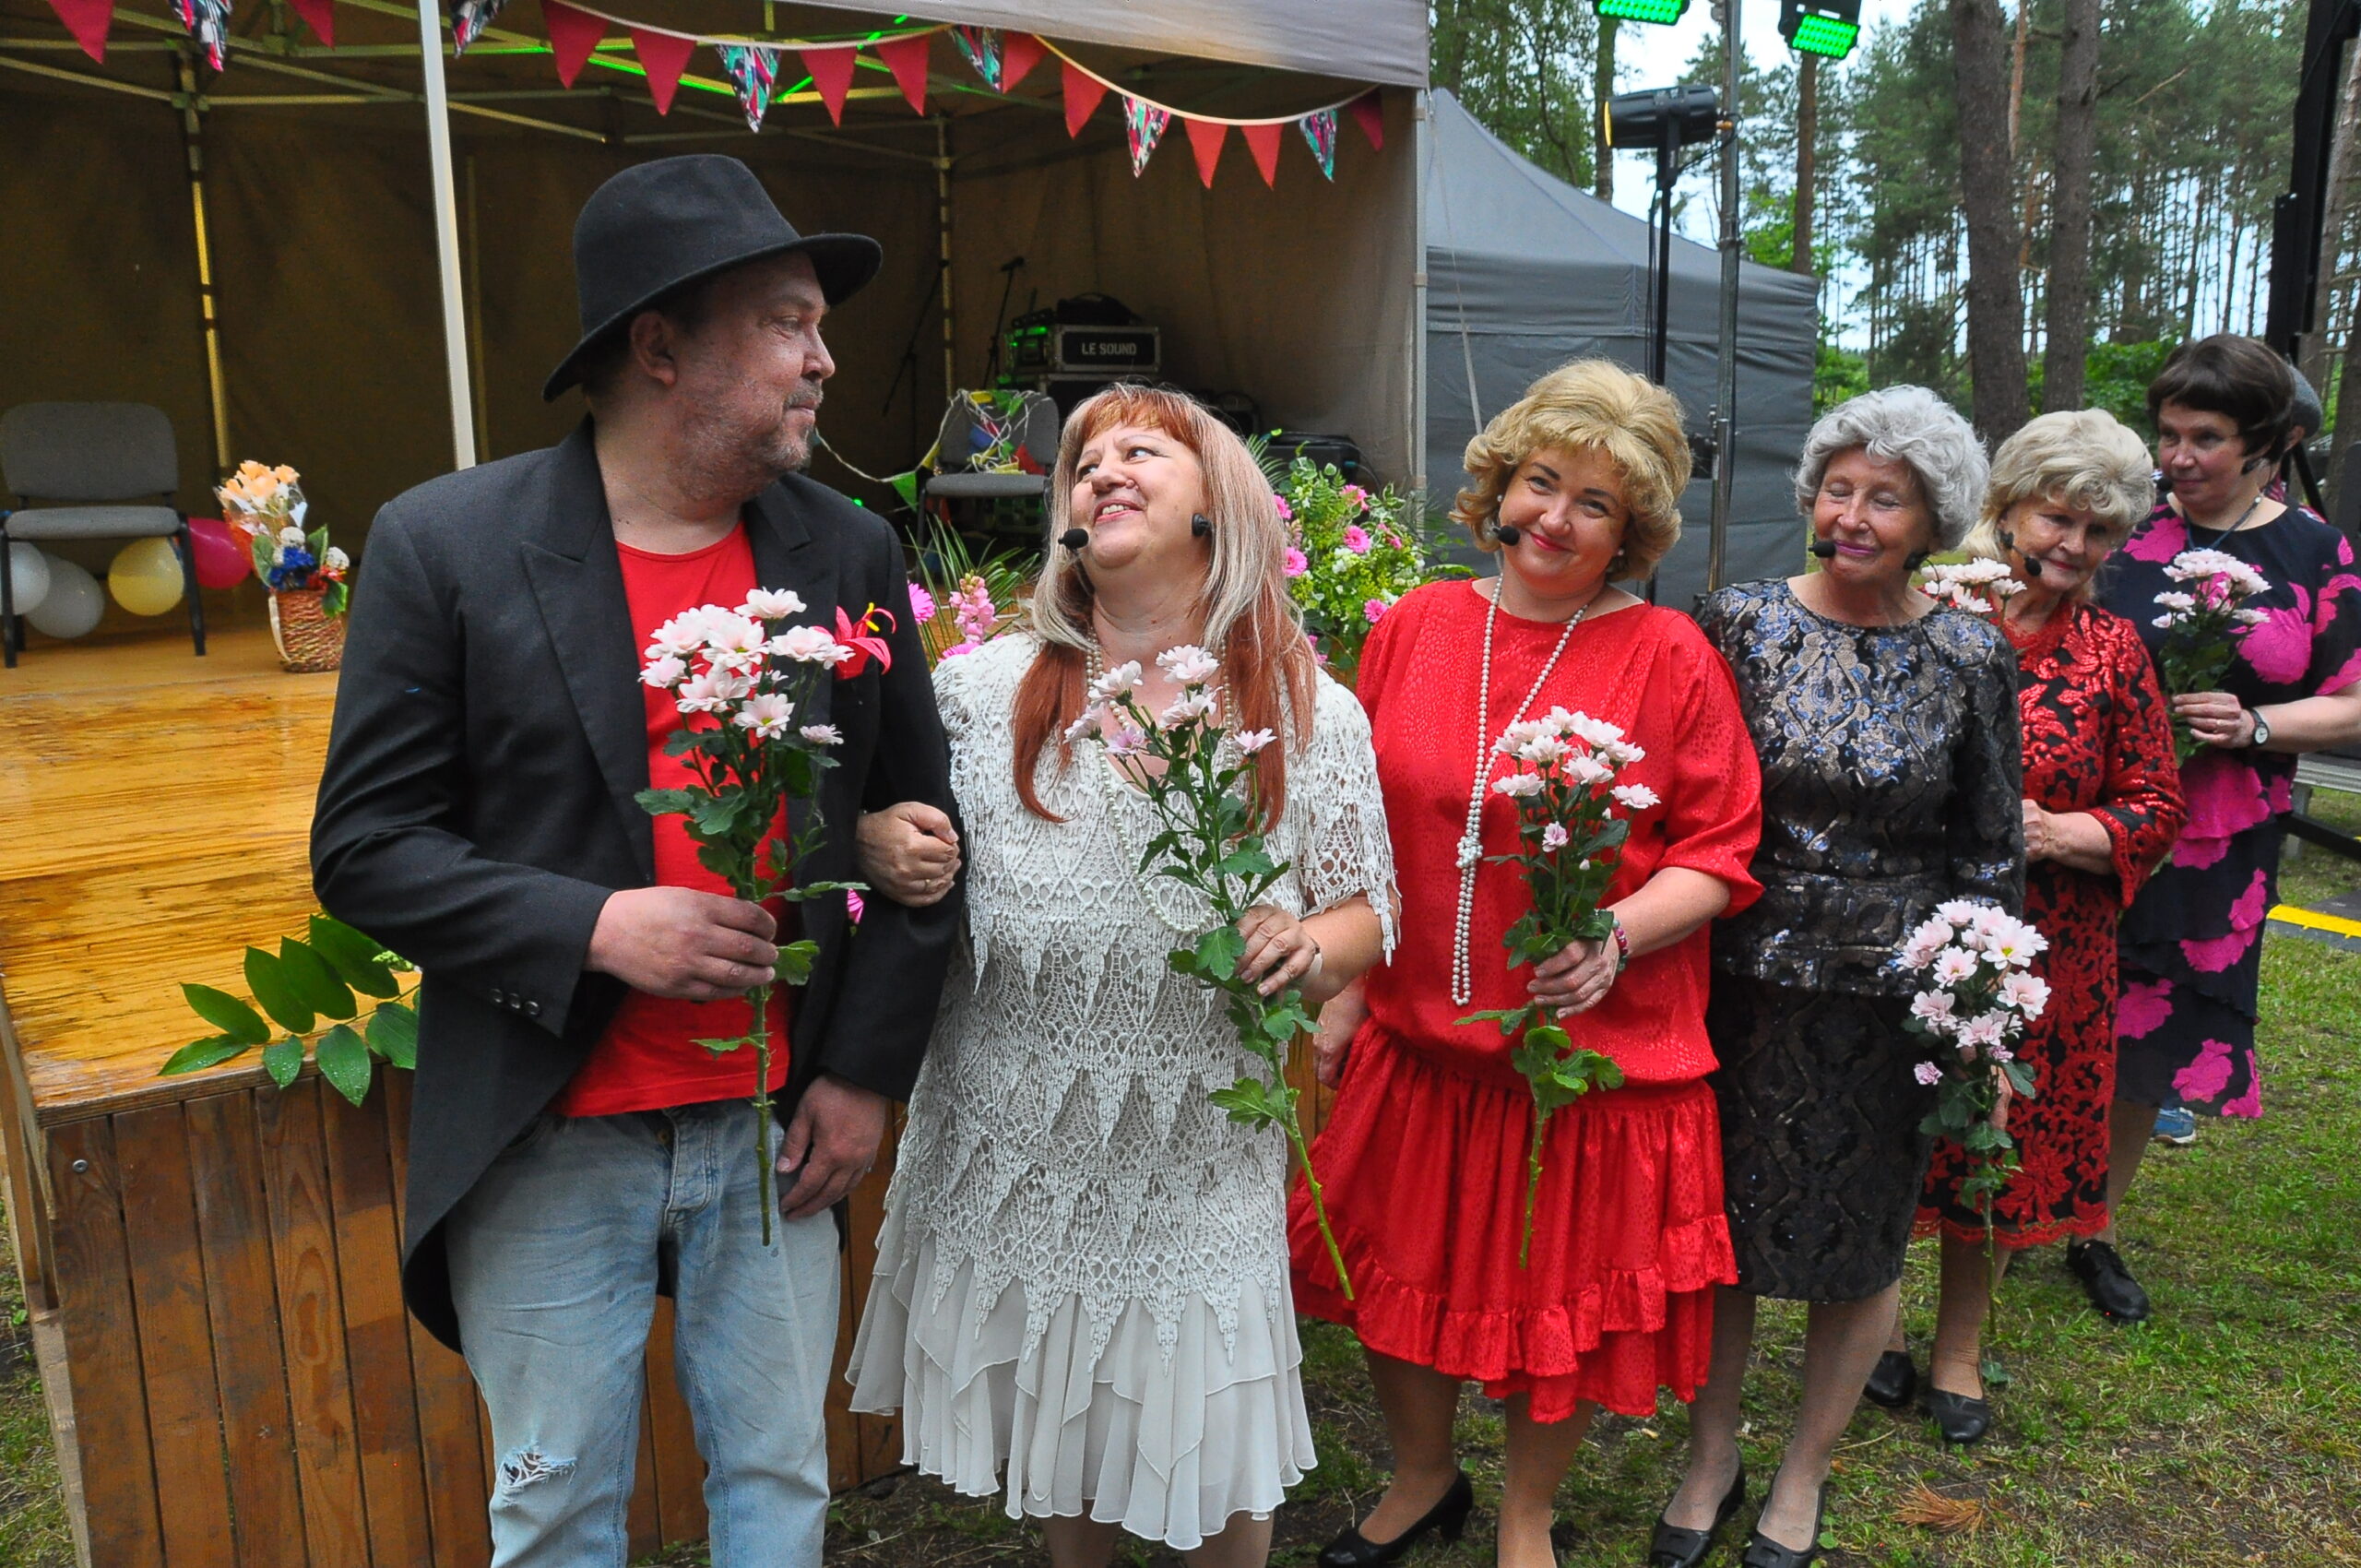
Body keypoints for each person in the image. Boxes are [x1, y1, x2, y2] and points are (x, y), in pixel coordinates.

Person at [310, 156, 963, 1567]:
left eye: (819, 327)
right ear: (661, 348)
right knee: (555, 1513)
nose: (824, 359)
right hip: (546, 1130)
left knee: (780, 1489)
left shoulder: (847, 550)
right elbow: (365, 850)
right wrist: (598, 926)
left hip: (776, 1132)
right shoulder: (448, 546)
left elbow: (925, 836)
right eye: (787, 323)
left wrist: (861, 1075)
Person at [847, 385, 1396, 1568]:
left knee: (1213, 1426)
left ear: (1215, 506)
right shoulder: (980, 689)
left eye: (1140, 450)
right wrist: (875, 839)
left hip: (1191, 1136)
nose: (1102, 469)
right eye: (1084, 461)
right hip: (1016, 1127)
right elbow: (885, 820)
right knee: (1069, 1401)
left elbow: (1367, 909)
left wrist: (1311, 946)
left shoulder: (1301, 705)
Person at [1276, 361, 1763, 1568]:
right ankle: (1423, 1478)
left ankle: (1526, 1515)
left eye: (1596, 503)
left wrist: (1616, 934)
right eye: (1542, 482)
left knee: (1556, 1301)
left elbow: (1718, 851)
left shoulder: (1668, 655)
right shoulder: (1413, 626)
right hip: (1419, 1041)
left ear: (1630, 532)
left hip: (1582, 1054)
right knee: (1399, 1271)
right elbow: (1360, 832)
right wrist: (1346, 993)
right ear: (1499, 485)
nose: (1556, 517)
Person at [1671, 386, 2023, 1568]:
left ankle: (1801, 1471)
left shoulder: (1970, 652)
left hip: (1893, 1000)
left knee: (1863, 1239)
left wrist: (1983, 1014)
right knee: (1721, 1229)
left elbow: (1990, 845)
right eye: (1838, 488)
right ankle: (1709, 1455)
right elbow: (1694, 802)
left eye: (1887, 498)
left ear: (1934, 521)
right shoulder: (1739, 620)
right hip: (1739, 981)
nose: (1854, 515)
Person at [1886, 410, 2185, 1443]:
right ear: (2006, 507)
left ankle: (1959, 1348)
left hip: (2046, 946)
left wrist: (2067, 829)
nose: (2073, 546)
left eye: (2099, 532)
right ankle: (1877, 1326)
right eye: (2058, 518)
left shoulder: (2113, 650)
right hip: (1914, 927)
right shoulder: (1926, 617)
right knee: (1894, 1128)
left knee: (1993, 1145)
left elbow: (2158, 802)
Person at [2082, 335, 2361, 1324]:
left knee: (2149, 1027)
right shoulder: (2120, 532)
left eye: (2205, 438)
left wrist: (2256, 725)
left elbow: (2352, 702)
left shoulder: (2315, 552)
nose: (2178, 457)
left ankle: (2093, 1224)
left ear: (2269, 442)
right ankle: (2015, 1195)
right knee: (2059, 1006)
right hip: (2090, 821)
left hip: (2220, 836)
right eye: (2168, 434)